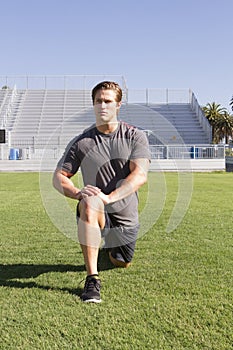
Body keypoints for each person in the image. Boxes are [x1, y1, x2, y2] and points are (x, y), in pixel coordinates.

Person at [53, 81, 151, 303]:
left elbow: (140, 175)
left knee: (122, 262)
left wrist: (110, 198)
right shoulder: (81, 142)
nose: (103, 106)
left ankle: (109, 247)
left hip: (125, 215)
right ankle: (92, 279)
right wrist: (78, 193)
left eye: (108, 101)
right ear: (93, 105)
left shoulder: (135, 136)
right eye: (98, 101)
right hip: (97, 209)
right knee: (89, 203)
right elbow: (58, 177)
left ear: (118, 105)